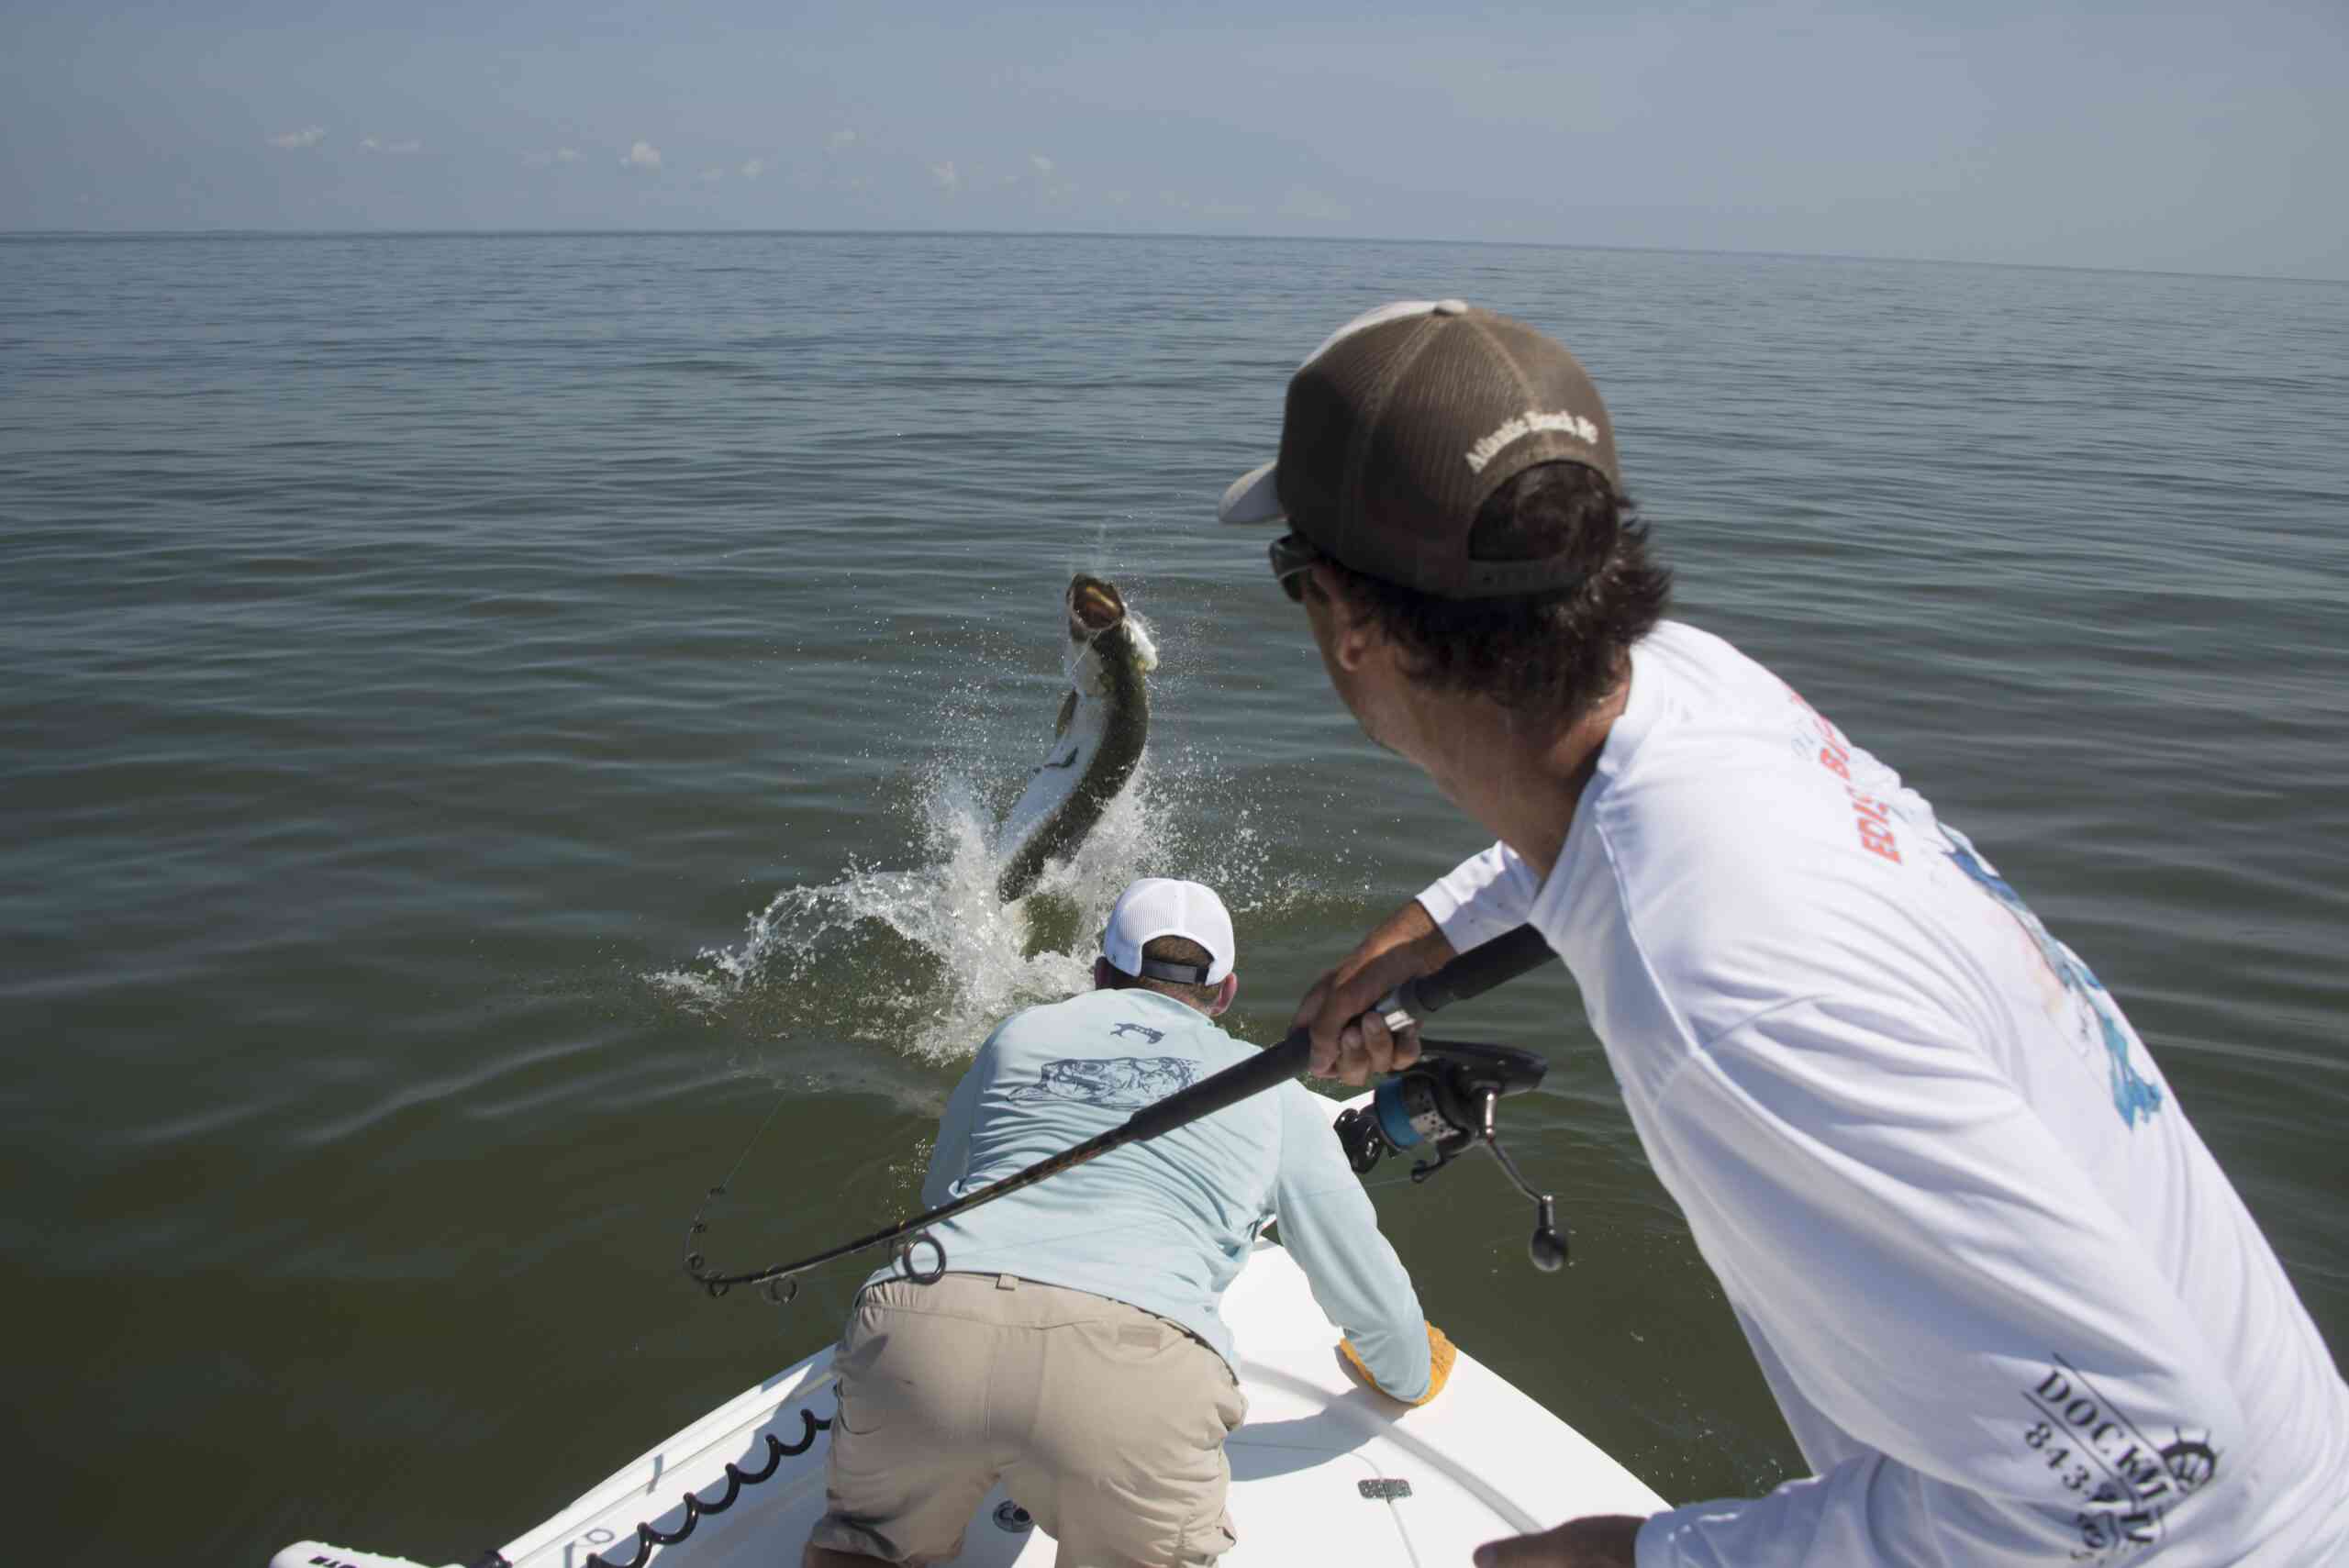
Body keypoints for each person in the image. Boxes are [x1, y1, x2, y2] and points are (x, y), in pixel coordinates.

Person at [1216, 299, 2349, 1566]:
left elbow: (2154, 1482)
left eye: (1296, 581)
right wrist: (1416, 943)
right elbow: (1585, 840)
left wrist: (1646, 1557)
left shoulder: (1719, 994)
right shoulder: (1687, 685)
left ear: (1351, 622)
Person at [804, 876, 1453, 1568]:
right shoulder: (1274, 1088)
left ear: (1100, 974)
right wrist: (1408, 1371)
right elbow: (1361, 1277)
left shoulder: (1019, 1033)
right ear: (1225, 992)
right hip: (1134, 1381)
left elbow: (944, 1197)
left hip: (927, 1339)